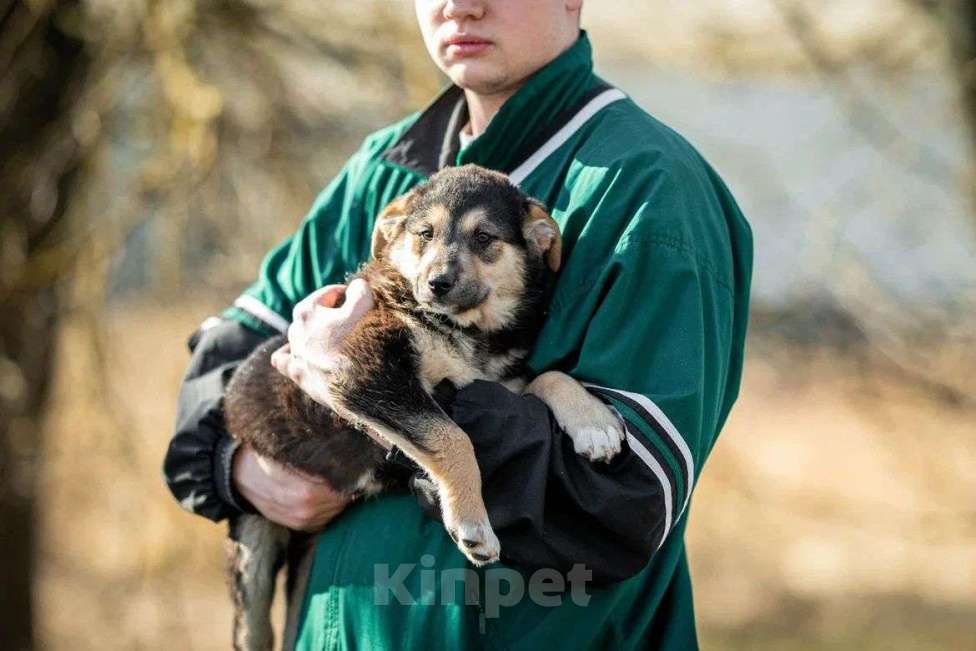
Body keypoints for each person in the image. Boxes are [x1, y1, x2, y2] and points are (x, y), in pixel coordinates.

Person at [163, 1, 753, 648]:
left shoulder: (648, 189)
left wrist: (372, 392)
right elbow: (227, 358)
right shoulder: (383, 171)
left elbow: (621, 500)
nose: (460, 3)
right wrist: (240, 466)